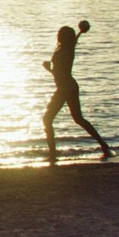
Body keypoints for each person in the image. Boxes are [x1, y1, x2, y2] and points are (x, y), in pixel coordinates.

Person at [42, 22, 112, 163]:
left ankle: (53, 154)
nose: (57, 36)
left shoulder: (65, 51)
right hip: (69, 87)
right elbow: (60, 73)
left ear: (63, 37)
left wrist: (48, 68)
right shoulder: (68, 48)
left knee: (47, 119)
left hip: (65, 88)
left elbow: (59, 73)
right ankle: (104, 146)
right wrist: (80, 31)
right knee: (78, 119)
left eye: (60, 34)